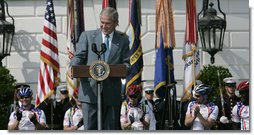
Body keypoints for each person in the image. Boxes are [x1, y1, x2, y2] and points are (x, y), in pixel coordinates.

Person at [68, 7, 130, 130]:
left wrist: (123, 70)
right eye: (102, 22)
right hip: (90, 94)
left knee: (110, 129)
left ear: (116, 23)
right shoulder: (87, 36)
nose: (104, 26)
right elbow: (79, 56)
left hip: (111, 94)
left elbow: (127, 63)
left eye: (108, 23)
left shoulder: (123, 40)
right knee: (90, 129)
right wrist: (72, 66)